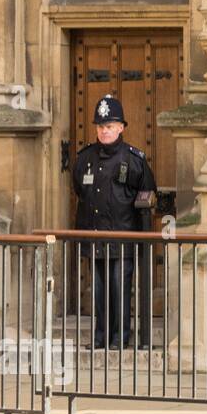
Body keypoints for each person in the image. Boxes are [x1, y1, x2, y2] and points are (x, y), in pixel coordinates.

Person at [71, 94, 157, 350]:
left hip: (123, 238)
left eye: (109, 126)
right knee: (99, 292)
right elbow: (79, 189)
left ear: (121, 127)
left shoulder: (134, 160)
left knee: (120, 290)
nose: (104, 131)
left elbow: (147, 193)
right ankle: (100, 337)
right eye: (100, 126)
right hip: (95, 235)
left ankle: (121, 338)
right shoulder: (85, 158)